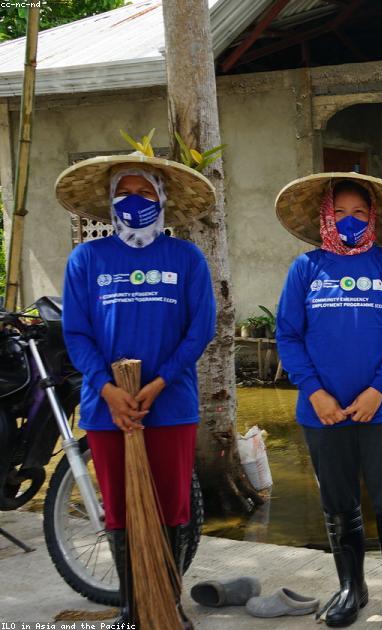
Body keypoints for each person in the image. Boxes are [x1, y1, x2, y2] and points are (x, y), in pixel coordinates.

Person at [58, 152, 218, 628]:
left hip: (170, 404)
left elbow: (200, 328)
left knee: (172, 506)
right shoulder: (87, 259)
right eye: (124, 192)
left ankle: (166, 604)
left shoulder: (185, 257)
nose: (134, 200)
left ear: (163, 199)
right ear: (109, 202)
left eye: (145, 191)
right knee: (121, 510)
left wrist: (160, 381)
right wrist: (107, 388)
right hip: (108, 408)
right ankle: (131, 607)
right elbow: (77, 334)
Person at [274, 173, 382, 629]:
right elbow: (289, 335)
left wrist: (379, 390)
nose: (350, 221)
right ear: (325, 216)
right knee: (338, 504)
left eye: (360, 212)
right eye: (340, 213)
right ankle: (351, 588)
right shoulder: (306, 268)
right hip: (323, 412)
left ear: (373, 216)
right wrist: (315, 393)